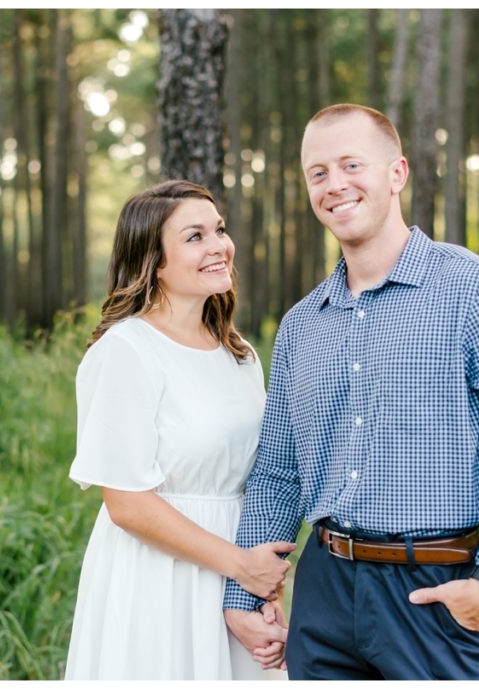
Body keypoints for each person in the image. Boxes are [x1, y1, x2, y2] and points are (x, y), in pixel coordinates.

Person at [223, 104, 479, 680]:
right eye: (318, 173)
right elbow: (278, 473)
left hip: (434, 590)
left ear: (397, 173)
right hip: (324, 592)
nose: (335, 185)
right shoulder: (302, 324)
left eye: (351, 164)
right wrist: (241, 599)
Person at [64, 179, 293, 680]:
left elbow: (261, 479)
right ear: (154, 261)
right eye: (195, 237)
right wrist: (239, 565)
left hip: (235, 575)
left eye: (220, 230)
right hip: (157, 576)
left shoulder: (241, 354)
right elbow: (127, 503)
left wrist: (259, 588)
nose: (219, 246)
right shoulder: (126, 351)